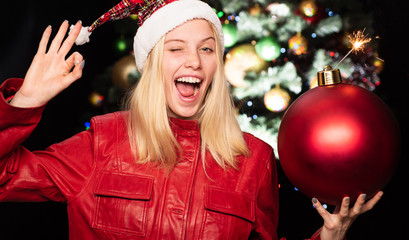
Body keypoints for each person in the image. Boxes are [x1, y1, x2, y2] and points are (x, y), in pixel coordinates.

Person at [0, 0, 383, 239]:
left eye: (206, 48)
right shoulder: (100, 142)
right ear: (151, 64)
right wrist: (25, 101)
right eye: (176, 48)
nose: (193, 62)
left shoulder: (254, 159)